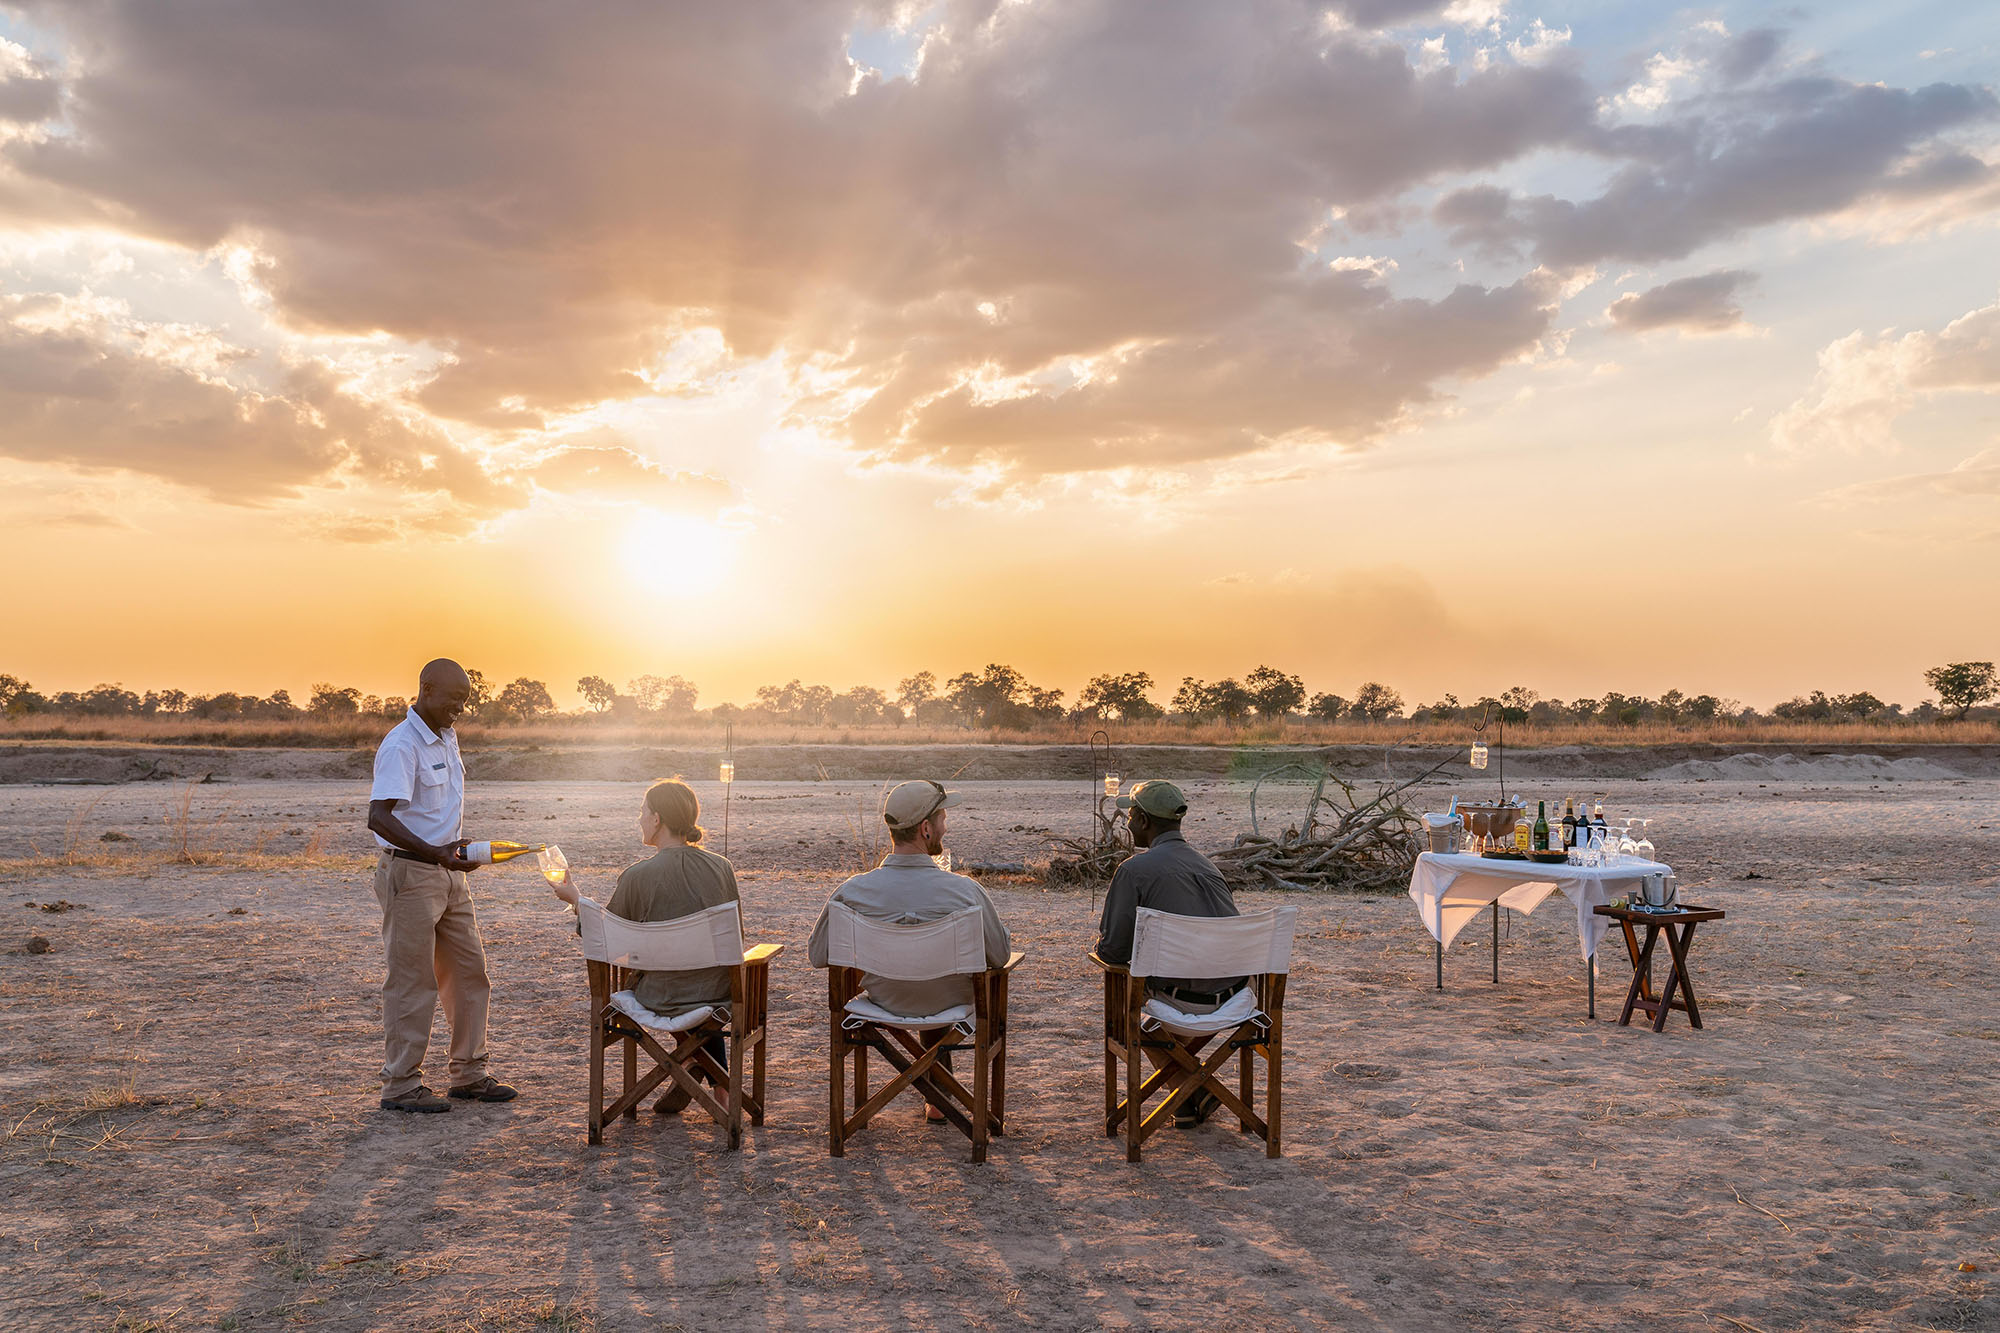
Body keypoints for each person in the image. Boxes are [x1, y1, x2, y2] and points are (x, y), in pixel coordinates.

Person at [807, 779, 1010, 1121]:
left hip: (885, 1002)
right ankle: (941, 1095)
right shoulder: (965, 892)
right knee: (935, 980)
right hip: (949, 1004)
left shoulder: (853, 891)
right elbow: (1000, 956)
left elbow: (817, 954)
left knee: (918, 978)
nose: (947, 826)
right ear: (927, 829)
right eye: (944, 818)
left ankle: (933, 1096)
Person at [365, 658, 517, 1113]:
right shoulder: (401, 744)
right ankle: (401, 1085)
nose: (460, 709)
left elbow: (433, 812)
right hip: (411, 875)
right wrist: (434, 853)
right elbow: (379, 816)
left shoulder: (447, 736)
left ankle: (469, 1074)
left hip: (450, 874)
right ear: (427, 690)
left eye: (465, 701)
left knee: (470, 975)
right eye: (454, 699)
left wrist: (454, 848)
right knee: (413, 982)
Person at [548, 778, 738, 1113]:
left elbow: (606, 936)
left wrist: (577, 900)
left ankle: (696, 1074)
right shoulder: (722, 867)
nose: (639, 818)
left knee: (665, 984)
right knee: (690, 987)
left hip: (662, 995)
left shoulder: (637, 876)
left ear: (657, 819)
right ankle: (710, 1081)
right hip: (720, 990)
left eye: (642, 811)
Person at [1094, 779, 1241, 1126]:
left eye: (1130, 815)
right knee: (1156, 999)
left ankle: (1190, 1090)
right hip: (1236, 998)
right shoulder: (1209, 866)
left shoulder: (1133, 870)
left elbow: (1113, 950)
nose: (1127, 822)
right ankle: (1190, 1097)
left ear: (1144, 822)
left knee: (1134, 1008)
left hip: (1183, 999)